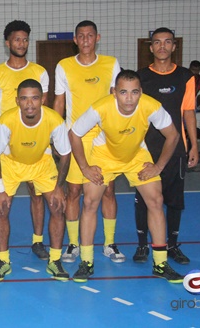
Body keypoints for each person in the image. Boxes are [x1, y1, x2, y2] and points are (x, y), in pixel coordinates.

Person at [69, 70, 183, 283]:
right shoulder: (100, 108)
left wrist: (158, 166)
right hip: (104, 155)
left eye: (134, 92)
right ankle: (86, 262)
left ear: (141, 92)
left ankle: (160, 263)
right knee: (91, 202)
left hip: (136, 155)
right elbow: (74, 134)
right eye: (123, 92)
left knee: (156, 200)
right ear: (114, 92)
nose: (129, 98)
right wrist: (84, 167)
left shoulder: (151, 106)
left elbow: (173, 135)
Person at [53, 20, 124, 264]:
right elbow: (59, 103)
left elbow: (118, 99)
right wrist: (56, 134)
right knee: (73, 191)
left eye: (90, 35)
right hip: (76, 137)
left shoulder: (111, 64)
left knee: (108, 190)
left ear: (98, 38)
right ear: (75, 40)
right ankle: (73, 244)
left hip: (104, 139)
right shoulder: (64, 66)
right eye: (81, 36)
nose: (85, 40)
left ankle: (109, 243)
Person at [0, 79, 70, 282]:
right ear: (17, 101)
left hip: (41, 163)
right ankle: (3, 260)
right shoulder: (6, 120)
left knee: (58, 205)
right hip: (11, 163)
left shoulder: (54, 120)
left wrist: (60, 187)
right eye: (24, 99)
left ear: (43, 99)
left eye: (35, 98)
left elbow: (66, 155)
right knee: (0, 208)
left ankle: (55, 260)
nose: (30, 104)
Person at [0, 20, 50, 261]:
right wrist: (0, 138)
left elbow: (43, 108)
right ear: (7, 43)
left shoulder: (40, 72)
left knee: (37, 194)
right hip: (6, 150)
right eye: (16, 39)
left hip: (35, 146)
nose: (21, 43)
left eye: (24, 39)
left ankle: (38, 241)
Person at [133, 27, 198, 266]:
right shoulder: (141, 78)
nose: (162, 46)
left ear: (174, 46)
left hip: (176, 149)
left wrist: (193, 145)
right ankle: (142, 246)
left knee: (173, 199)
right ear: (150, 47)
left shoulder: (185, 77)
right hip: (145, 149)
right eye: (157, 42)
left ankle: (172, 245)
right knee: (145, 199)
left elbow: (189, 112)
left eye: (167, 42)